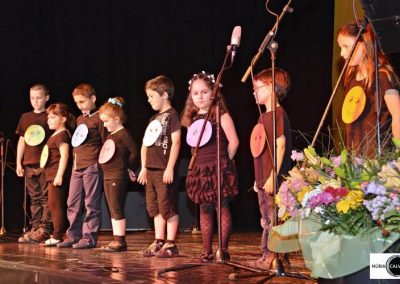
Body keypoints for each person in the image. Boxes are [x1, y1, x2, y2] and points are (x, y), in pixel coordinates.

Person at [181, 71, 239, 262]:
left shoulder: (220, 115)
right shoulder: (191, 119)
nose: (200, 96)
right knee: (204, 209)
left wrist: (224, 163)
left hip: (218, 166)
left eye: (204, 92)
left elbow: (234, 142)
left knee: (221, 208)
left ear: (213, 92)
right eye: (196, 93)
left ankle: (223, 250)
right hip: (200, 169)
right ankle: (206, 250)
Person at [337, 21, 400, 156]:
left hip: (376, 160)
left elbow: (397, 115)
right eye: (340, 47)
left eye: (346, 46)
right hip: (354, 159)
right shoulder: (351, 76)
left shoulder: (382, 76)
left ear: (363, 44)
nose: (342, 53)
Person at [251, 68, 293, 268]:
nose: (254, 92)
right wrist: (259, 176)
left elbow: (281, 145)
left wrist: (272, 176)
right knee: (266, 218)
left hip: (273, 177)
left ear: (270, 88)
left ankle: (274, 256)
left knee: (274, 217)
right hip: (263, 176)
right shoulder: (263, 117)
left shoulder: (278, 114)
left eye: (257, 88)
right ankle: (270, 255)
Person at [57, 83, 107, 249]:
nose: (80, 106)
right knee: (73, 202)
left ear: (93, 99)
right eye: (77, 103)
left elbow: (106, 142)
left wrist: (101, 163)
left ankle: (89, 237)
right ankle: (73, 235)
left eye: (83, 102)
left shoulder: (100, 117)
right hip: (77, 167)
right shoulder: (80, 118)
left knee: (90, 203)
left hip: (91, 165)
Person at [137, 75, 181, 258]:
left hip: (164, 170)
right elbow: (145, 144)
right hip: (152, 170)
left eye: (151, 96)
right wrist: (144, 167)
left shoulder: (172, 116)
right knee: (154, 207)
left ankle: (171, 244)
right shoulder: (154, 118)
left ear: (164, 95)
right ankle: (159, 240)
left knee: (167, 206)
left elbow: (176, 142)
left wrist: (170, 168)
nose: (148, 100)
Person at [98, 97, 139, 252]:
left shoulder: (123, 134)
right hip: (107, 175)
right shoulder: (111, 135)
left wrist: (129, 168)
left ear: (117, 118)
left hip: (117, 175)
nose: (105, 124)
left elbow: (134, 152)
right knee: (111, 208)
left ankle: (120, 241)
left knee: (116, 207)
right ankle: (116, 239)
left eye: (107, 121)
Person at [16, 84, 53, 243]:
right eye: (32, 98)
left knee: (46, 197)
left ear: (46, 98)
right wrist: (19, 162)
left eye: (39, 98)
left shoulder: (50, 115)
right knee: (34, 198)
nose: (35, 101)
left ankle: (45, 228)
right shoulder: (25, 117)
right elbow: (22, 140)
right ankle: (35, 227)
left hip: (44, 163)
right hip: (29, 163)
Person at [41, 103, 76, 246]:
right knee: (53, 204)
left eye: (53, 117)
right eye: (48, 117)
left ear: (63, 119)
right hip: (51, 174)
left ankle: (57, 235)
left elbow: (65, 155)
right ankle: (59, 233)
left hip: (57, 175)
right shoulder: (55, 134)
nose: (49, 120)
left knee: (56, 205)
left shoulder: (62, 134)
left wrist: (59, 175)